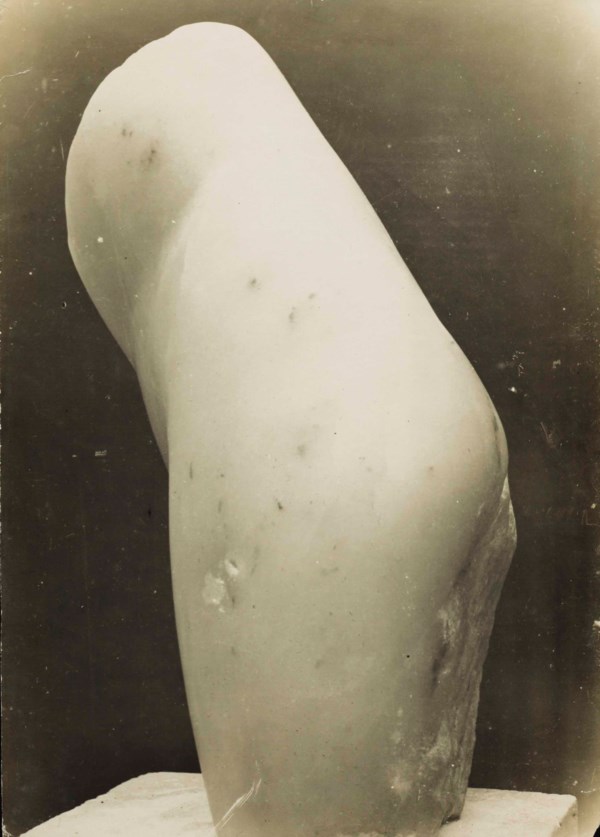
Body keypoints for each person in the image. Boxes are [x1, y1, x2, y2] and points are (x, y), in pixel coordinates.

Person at [65, 22, 516, 836]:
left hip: (320, 473)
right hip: (369, 419)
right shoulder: (222, 95)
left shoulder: (152, 144)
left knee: (293, 821)